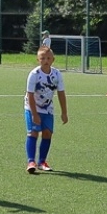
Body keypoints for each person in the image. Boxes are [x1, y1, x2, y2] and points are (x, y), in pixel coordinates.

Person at [24, 45, 68, 174]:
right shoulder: (34, 74)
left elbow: (61, 93)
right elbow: (30, 95)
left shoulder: (57, 74)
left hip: (47, 108)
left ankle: (42, 162)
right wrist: (34, 114)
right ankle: (31, 161)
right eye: (42, 58)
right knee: (33, 133)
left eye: (48, 58)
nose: (45, 61)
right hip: (32, 107)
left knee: (47, 133)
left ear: (53, 60)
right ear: (38, 59)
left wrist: (64, 112)